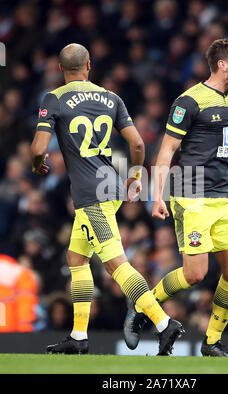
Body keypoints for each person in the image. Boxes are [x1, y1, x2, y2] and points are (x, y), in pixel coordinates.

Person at [31, 43, 184, 355]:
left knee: (116, 265)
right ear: (89, 64)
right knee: (76, 258)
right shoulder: (111, 97)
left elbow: (37, 149)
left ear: (61, 69)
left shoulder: (54, 98)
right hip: (109, 185)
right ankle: (78, 335)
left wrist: (37, 164)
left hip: (91, 196)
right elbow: (138, 144)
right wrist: (135, 177)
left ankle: (164, 323)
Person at [124, 38, 228, 357]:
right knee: (195, 274)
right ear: (223, 65)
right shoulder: (189, 101)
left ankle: (212, 343)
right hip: (191, 193)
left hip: (222, 196)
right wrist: (158, 197)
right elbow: (166, 149)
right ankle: (142, 309)